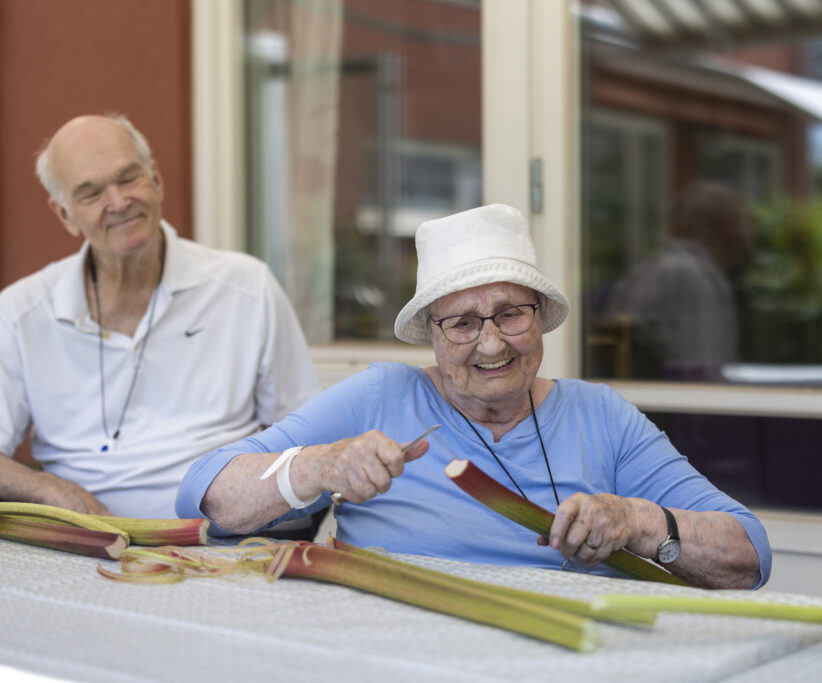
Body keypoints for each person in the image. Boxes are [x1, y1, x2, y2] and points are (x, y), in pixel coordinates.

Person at [177, 203, 771, 588]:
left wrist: (636, 521)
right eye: (461, 323)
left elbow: (750, 557)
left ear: (539, 319)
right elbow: (205, 492)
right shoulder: (383, 395)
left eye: (510, 313)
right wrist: (319, 465)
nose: (491, 344)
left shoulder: (601, 415)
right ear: (432, 335)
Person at [0, 114, 319, 519]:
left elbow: (306, 431)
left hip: (228, 540)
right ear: (64, 214)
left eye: (129, 178)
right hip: (81, 542)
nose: (118, 203)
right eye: (91, 193)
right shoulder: (20, 311)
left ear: (156, 180)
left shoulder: (247, 287)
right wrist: (49, 489)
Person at [604, 183, 751, 380]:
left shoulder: (650, 268)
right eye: (735, 237)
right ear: (711, 229)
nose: (742, 246)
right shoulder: (688, 276)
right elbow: (700, 368)